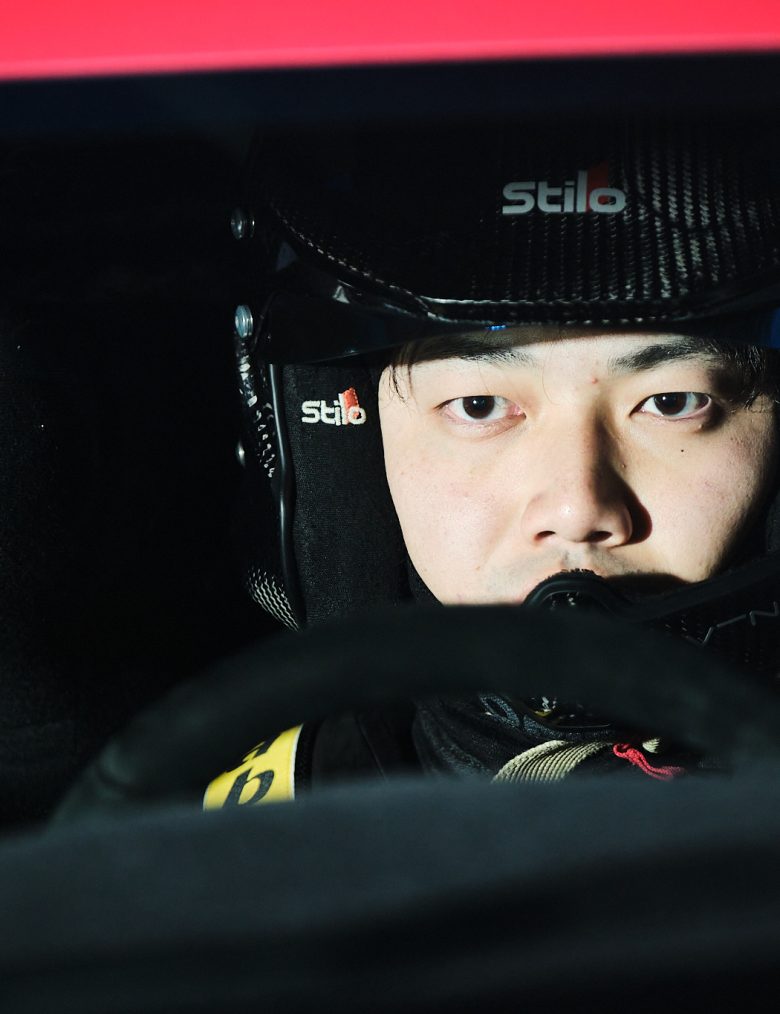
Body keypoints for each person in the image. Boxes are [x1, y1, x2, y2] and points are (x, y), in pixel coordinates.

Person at [205, 117, 780, 808]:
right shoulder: (242, 843)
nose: (578, 509)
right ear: (349, 444)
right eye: (479, 406)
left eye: (672, 402)